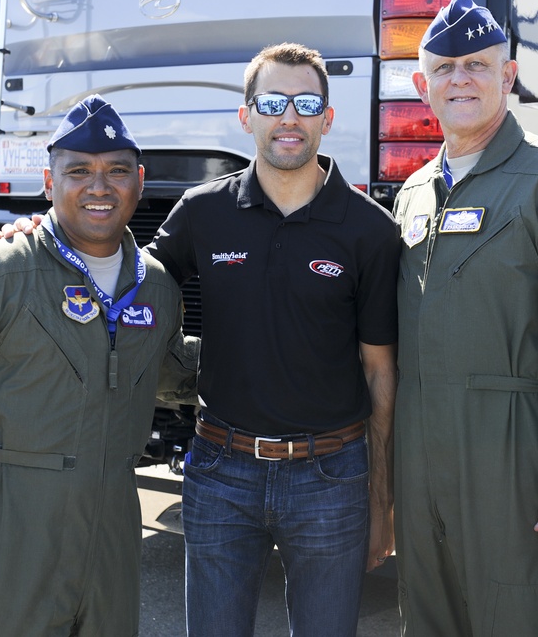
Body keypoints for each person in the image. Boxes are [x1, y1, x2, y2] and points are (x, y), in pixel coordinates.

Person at [0, 95, 199, 636]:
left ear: (139, 182)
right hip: (4, 517)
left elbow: (165, 368)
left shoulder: (156, 286)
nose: (99, 187)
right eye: (79, 172)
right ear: (49, 183)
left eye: (117, 171)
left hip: (113, 519)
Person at [146, 42, 400, 636]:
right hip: (218, 470)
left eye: (307, 102)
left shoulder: (370, 232)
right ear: (247, 115)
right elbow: (130, 283)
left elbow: (380, 372)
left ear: (327, 119)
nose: (290, 117)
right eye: (273, 102)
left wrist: (381, 500)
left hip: (332, 477)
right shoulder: (202, 213)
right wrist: (42, 235)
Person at [391, 0, 538, 635]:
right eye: (444, 68)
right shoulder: (413, 193)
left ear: (508, 75)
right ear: (422, 84)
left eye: (476, 65)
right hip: (422, 460)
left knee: (522, 618)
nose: (459, 78)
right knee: (429, 617)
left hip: (516, 461)